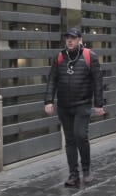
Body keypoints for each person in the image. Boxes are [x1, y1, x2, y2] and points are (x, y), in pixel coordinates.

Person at [44, 27, 106, 187]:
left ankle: (86, 171)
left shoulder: (89, 56)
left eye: (72, 38)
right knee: (70, 140)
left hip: (82, 105)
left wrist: (99, 104)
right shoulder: (59, 57)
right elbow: (52, 80)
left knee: (80, 136)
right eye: (67, 38)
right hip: (64, 106)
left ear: (79, 39)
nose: (69, 41)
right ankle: (73, 175)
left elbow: (97, 81)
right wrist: (48, 101)